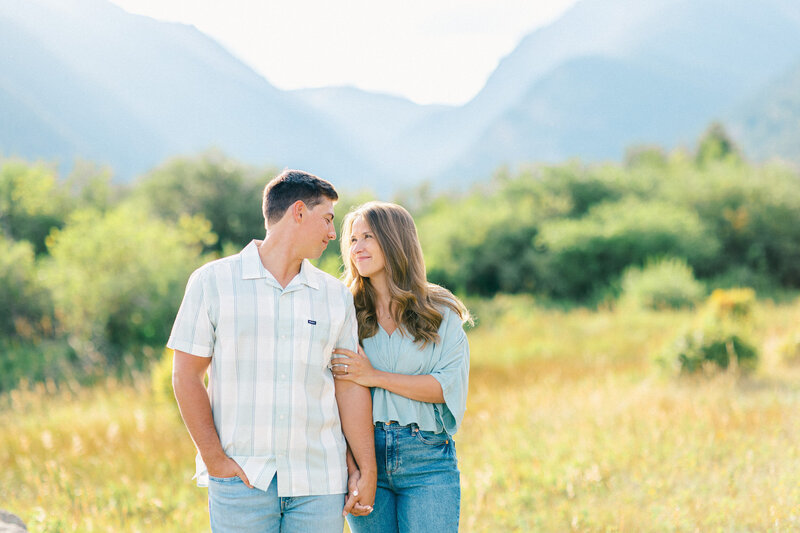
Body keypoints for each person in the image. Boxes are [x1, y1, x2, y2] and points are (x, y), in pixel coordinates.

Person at [168, 170, 376, 533]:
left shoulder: (334, 295)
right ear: (298, 212)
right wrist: (215, 461)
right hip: (242, 482)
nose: (332, 233)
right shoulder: (212, 282)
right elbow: (186, 375)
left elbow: (348, 386)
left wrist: (365, 468)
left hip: (320, 483)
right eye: (327, 219)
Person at [331, 201, 470, 533]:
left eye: (368, 237)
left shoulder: (439, 310)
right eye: (352, 240)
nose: (357, 247)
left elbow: (443, 388)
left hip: (427, 460)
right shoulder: (344, 310)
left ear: (395, 241)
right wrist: (354, 468)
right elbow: (334, 395)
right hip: (364, 457)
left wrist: (374, 376)